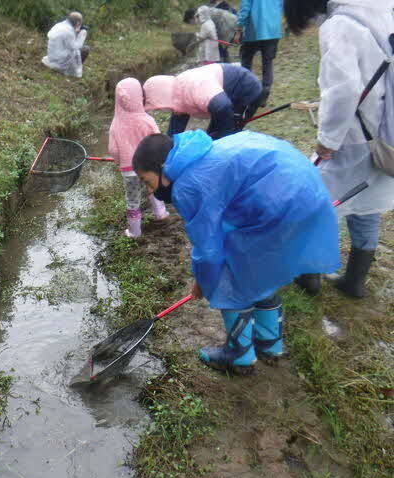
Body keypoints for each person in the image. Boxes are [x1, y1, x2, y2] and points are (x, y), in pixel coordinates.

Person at [131, 130, 340, 373]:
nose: (149, 191)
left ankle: (239, 355)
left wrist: (204, 281)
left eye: (148, 181)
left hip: (282, 207)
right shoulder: (197, 153)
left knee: (228, 277)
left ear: (162, 168)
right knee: (261, 272)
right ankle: (269, 344)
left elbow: (208, 250)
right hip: (307, 192)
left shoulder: (187, 185)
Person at [285, 0, 394, 298]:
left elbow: (343, 90)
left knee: (316, 205)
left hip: (355, 137)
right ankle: (354, 281)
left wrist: (327, 140)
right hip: (388, 137)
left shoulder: (341, 24)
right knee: (368, 204)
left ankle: (309, 277)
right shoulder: (384, 11)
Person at [108, 78, 169, 238]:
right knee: (153, 188)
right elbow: (156, 141)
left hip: (129, 171)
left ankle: (134, 231)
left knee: (132, 200)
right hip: (150, 167)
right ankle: (161, 213)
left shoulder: (116, 124)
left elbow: (113, 149)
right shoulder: (147, 120)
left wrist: (118, 161)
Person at [143, 63, 262, 140]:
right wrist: (168, 149)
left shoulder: (195, 88)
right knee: (212, 136)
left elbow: (223, 107)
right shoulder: (178, 96)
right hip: (222, 101)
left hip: (243, 91)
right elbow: (174, 132)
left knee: (227, 137)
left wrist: (220, 138)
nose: (166, 109)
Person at [232, 0, 283, 106]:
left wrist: (239, 29)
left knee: (246, 62)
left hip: (253, 31)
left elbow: (245, 9)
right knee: (267, 63)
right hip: (273, 30)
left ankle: (247, 92)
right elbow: (282, 6)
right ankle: (265, 91)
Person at [41, 12, 89, 78]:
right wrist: (83, 34)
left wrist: (76, 31)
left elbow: (66, 43)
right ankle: (73, 71)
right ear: (78, 23)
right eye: (80, 24)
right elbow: (76, 47)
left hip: (52, 58)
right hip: (61, 63)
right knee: (86, 49)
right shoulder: (69, 31)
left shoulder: (59, 25)